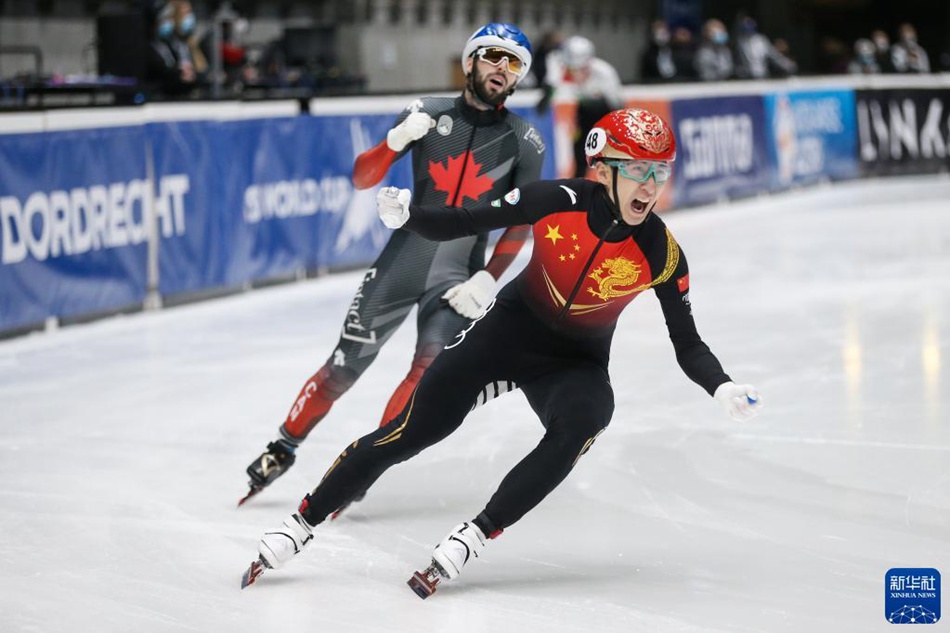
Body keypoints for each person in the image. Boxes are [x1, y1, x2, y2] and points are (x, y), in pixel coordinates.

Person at [242, 107, 763, 596]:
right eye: (640, 171)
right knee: (413, 431)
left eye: (661, 172)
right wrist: (409, 218)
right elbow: (471, 220)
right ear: (604, 171)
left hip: (574, 364)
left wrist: (721, 384)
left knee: (587, 418)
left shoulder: (661, 253)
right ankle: (300, 525)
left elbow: (687, 340)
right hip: (505, 335)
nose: (651, 186)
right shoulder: (558, 199)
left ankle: (474, 536)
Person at [239, 23, 546, 505]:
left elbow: (522, 220)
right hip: (401, 264)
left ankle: (363, 468)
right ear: (470, 62)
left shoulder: (525, 141)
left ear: (519, 77)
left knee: (425, 376)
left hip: (458, 277)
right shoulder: (425, 112)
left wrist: (489, 277)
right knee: (344, 367)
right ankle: (283, 445)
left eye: (512, 64)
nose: (500, 70)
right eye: (492, 57)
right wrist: (395, 140)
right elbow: (362, 179)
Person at [542, 35, 623, 177]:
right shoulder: (562, 68)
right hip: (584, 112)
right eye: (573, 69)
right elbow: (549, 91)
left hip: (606, 113)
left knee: (610, 155)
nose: (577, 74)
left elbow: (617, 106)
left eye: (581, 69)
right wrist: (548, 91)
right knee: (580, 152)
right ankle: (578, 187)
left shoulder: (604, 72)